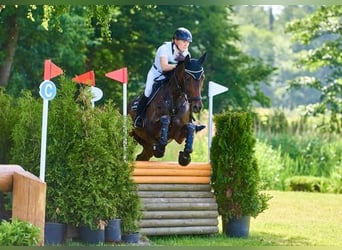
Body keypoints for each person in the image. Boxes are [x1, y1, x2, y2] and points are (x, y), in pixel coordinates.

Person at [134, 27, 192, 128]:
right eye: (183, 41)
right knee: (148, 91)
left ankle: (189, 119)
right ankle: (139, 117)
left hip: (172, 77)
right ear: (175, 40)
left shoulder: (187, 53)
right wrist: (178, 67)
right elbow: (164, 67)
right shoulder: (164, 49)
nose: (186, 44)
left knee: (186, 93)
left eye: (188, 42)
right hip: (157, 73)